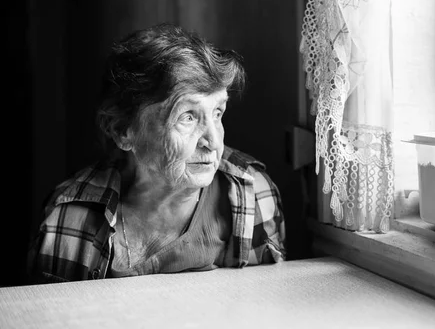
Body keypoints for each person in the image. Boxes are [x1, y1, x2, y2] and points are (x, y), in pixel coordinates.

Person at [27, 23, 286, 283]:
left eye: (217, 113)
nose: (213, 141)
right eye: (188, 117)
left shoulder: (252, 195)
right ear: (122, 130)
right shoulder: (69, 217)